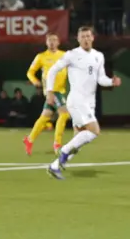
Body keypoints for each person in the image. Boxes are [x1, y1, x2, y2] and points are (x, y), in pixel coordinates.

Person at [46, 26, 122, 179]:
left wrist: (111, 81)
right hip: (76, 100)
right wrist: (50, 92)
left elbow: (100, 79)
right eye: (83, 37)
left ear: (93, 37)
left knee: (79, 140)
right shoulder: (72, 55)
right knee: (94, 131)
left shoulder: (98, 56)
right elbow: (53, 70)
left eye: (88, 36)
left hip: (89, 102)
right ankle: (64, 151)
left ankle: (55, 166)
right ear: (78, 39)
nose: (86, 39)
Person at [23, 33, 70, 155]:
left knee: (46, 116)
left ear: (58, 42)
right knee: (64, 114)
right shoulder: (41, 57)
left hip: (61, 90)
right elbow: (30, 72)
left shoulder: (64, 55)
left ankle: (29, 139)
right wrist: (35, 81)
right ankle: (57, 144)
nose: (52, 42)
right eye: (50, 40)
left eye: (54, 40)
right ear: (46, 42)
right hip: (52, 91)